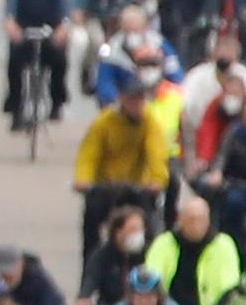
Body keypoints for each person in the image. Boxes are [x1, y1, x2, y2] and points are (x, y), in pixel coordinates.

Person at [69, 70, 180, 280]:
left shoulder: (150, 122)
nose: (137, 104)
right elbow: (88, 154)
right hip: (107, 186)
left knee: (149, 226)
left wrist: (157, 180)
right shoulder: (104, 122)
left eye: (140, 99)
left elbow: (156, 153)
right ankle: (88, 276)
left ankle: (150, 272)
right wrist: (82, 180)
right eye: (132, 99)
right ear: (121, 99)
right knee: (91, 221)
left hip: (136, 187)